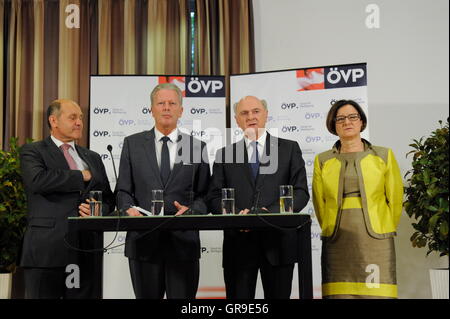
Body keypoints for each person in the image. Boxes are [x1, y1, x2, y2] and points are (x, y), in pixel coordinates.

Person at [207, 96, 310, 299]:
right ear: (236, 120)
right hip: (238, 245)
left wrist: (267, 214)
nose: (251, 117)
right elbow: (214, 196)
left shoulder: (289, 149)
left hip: (279, 244)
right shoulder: (224, 154)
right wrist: (237, 216)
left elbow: (300, 193)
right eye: (244, 113)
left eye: (256, 111)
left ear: (266, 115)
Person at [116, 83, 210, 299]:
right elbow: (122, 190)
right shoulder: (132, 144)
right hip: (143, 243)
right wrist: (127, 208)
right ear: (151, 109)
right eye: (161, 103)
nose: (166, 108)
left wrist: (192, 210)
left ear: (181, 110)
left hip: (183, 244)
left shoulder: (197, 146)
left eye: (172, 103)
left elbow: (205, 194)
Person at [19, 99, 115, 299]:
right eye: (73, 117)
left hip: (86, 250)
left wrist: (99, 210)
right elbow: (38, 181)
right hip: (46, 251)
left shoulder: (93, 157)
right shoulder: (33, 151)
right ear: (53, 121)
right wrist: (81, 176)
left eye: (81, 117)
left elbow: (108, 198)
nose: (79, 122)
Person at [312, 99, 403, 299]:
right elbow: (320, 203)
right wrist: (329, 226)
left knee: (378, 294)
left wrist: (385, 226)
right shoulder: (322, 160)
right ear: (333, 125)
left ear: (361, 121)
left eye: (353, 117)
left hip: (377, 237)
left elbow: (395, 199)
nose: (347, 122)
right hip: (337, 238)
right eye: (341, 118)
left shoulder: (384, 155)